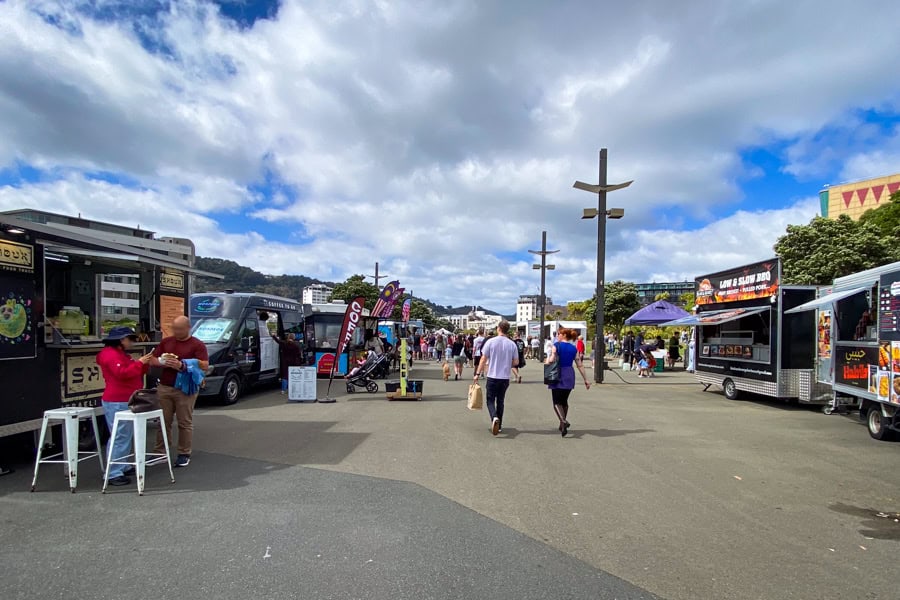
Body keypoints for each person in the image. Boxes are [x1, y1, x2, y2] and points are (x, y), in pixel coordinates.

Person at [96, 326, 153, 486]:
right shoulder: (110, 355)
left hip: (123, 398)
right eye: (131, 339)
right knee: (120, 436)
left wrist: (143, 364)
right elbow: (122, 374)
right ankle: (113, 472)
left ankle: (122, 465)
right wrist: (140, 362)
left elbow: (131, 371)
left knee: (124, 435)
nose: (133, 343)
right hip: (117, 400)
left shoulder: (118, 354)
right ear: (122, 340)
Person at [152, 316, 209, 468]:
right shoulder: (166, 342)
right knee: (163, 421)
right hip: (165, 386)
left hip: (186, 388)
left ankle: (184, 453)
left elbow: (204, 365)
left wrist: (182, 365)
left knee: (184, 422)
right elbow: (153, 359)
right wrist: (163, 362)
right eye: (174, 329)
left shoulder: (197, 344)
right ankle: (160, 452)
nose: (176, 332)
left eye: (179, 329)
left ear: (188, 328)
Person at [475, 320, 519, 436]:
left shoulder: (491, 342)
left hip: (492, 375)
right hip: (504, 377)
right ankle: (500, 425)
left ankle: (494, 417)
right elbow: (516, 362)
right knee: (500, 400)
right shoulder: (512, 344)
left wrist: (477, 373)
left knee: (490, 400)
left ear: (498, 328)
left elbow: (483, 359)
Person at [545, 328, 590, 437]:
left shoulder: (557, 345)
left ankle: (563, 421)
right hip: (569, 373)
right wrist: (586, 379)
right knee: (564, 401)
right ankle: (562, 423)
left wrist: (550, 356)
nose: (557, 335)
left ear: (564, 335)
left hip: (557, 373)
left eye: (559, 334)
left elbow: (551, 360)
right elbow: (579, 364)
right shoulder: (574, 348)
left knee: (556, 401)